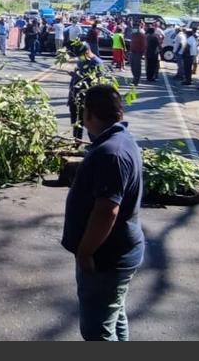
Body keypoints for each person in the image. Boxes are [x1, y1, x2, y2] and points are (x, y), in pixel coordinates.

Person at [62, 84, 144, 341]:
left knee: (97, 330)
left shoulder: (111, 153)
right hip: (115, 253)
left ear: (88, 115)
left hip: (106, 259)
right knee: (114, 317)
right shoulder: (117, 142)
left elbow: (107, 211)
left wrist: (85, 252)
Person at [68, 43, 107, 142]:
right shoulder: (81, 61)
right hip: (75, 97)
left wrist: (77, 76)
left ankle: (96, 146)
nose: (79, 58)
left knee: (91, 125)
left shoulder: (97, 63)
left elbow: (97, 81)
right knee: (76, 124)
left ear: (87, 52)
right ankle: (76, 144)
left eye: (81, 55)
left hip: (88, 99)